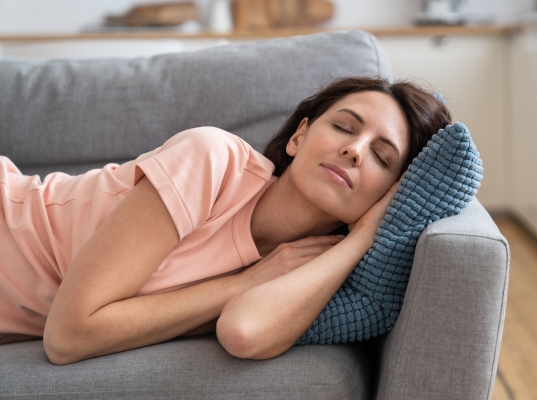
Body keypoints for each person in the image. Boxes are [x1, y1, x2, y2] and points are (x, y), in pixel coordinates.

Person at [0, 76, 451, 365]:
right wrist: (242, 282)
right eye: (345, 128)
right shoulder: (212, 159)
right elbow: (68, 337)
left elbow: (245, 332)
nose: (355, 150)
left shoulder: (305, 269)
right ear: (299, 136)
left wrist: (362, 239)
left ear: (388, 195)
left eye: (380, 156)